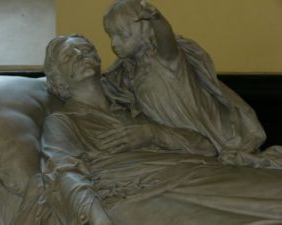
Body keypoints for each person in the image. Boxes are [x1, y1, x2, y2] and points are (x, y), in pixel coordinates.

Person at [40, 34, 216, 225]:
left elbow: (206, 147)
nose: (79, 54)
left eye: (86, 50)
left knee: (249, 184)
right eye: (68, 56)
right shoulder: (62, 122)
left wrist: (151, 134)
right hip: (141, 195)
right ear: (58, 79)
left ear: (99, 61)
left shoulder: (135, 107)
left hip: (189, 175)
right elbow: (64, 174)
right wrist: (97, 219)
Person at [101, 0, 266, 155]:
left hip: (200, 130)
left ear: (145, 30)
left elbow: (167, 39)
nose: (113, 43)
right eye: (111, 36)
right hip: (175, 135)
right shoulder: (129, 73)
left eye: (122, 35)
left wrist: (158, 20)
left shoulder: (165, 59)